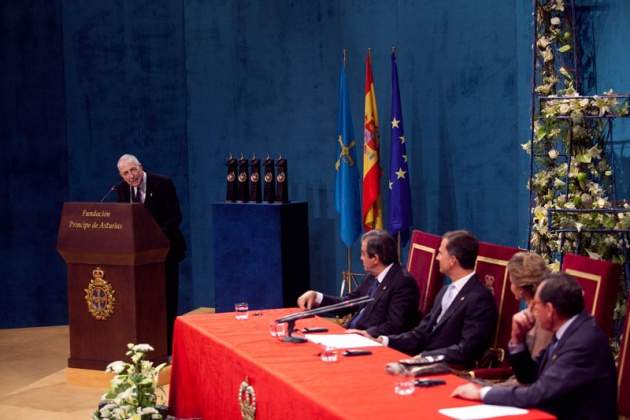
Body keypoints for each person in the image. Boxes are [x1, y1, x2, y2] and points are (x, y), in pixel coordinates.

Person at [451, 272, 618, 419]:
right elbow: (529, 375)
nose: (531, 310)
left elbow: (539, 393)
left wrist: (482, 393)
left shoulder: (582, 343)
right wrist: (517, 339)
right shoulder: (570, 329)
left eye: (535, 305)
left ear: (550, 310)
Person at [351, 230, 498, 367]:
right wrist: (381, 341)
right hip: (422, 359)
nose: (437, 257)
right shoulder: (445, 291)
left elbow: (466, 350)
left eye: (440, 253)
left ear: (453, 260)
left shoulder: (480, 299)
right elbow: (421, 334)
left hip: (447, 369)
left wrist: (425, 358)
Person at [116, 154, 186, 353]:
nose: (131, 176)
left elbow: (175, 217)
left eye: (133, 170)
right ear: (121, 176)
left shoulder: (163, 183)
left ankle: (170, 348)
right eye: (126, 173)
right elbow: (124, 222)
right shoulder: (122, 190)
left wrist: (154, 237)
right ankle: (147, 346)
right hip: (138, 257)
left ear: (141, 167)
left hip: (166, 252)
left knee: (167, 300)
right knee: (144, 303)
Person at [297, 229, 419, 337]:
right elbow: (348, 303)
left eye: (363, 254)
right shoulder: (372, 276)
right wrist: (316, 296)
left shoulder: (402, 283)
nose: (361, 258)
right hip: (349, 334)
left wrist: (366, 334)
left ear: (375, 259)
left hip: (369, 342)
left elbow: (394, 326)